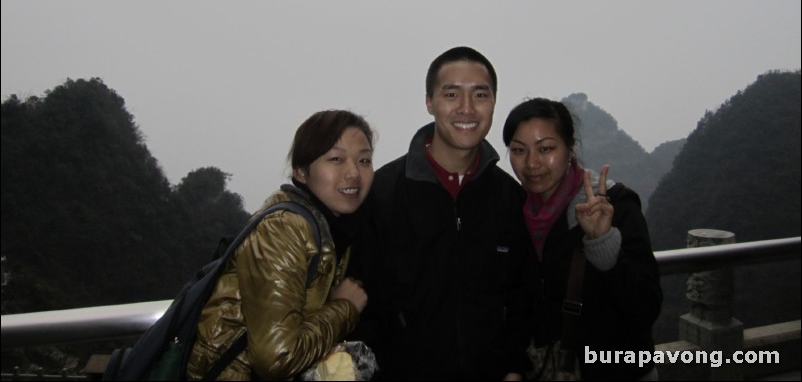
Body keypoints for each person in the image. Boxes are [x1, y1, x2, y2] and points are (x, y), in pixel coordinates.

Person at [352, 46, 534, 381]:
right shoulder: (384, 194)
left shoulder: (509, 197)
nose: (466, 108)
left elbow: (521, 296)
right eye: (451, 94)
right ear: (429, 103)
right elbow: (363, 302)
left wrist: (512, 366)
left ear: (494, 102)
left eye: (480, 94)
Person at [186, 109, 375, 381]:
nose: (354, 173)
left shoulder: (335, 231)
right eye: (336, 159)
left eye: (364, 160)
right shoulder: (285, 228)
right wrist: (344, 307)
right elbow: (277, 358)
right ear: (300, 172)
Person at [502, 98, 662, 381]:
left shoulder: (614, 206)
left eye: (546, 149)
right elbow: (518, 303)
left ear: (570, 148)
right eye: (518, 150)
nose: (531, 163)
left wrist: (603, 244)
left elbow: (645, 307)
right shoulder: (516, 213)